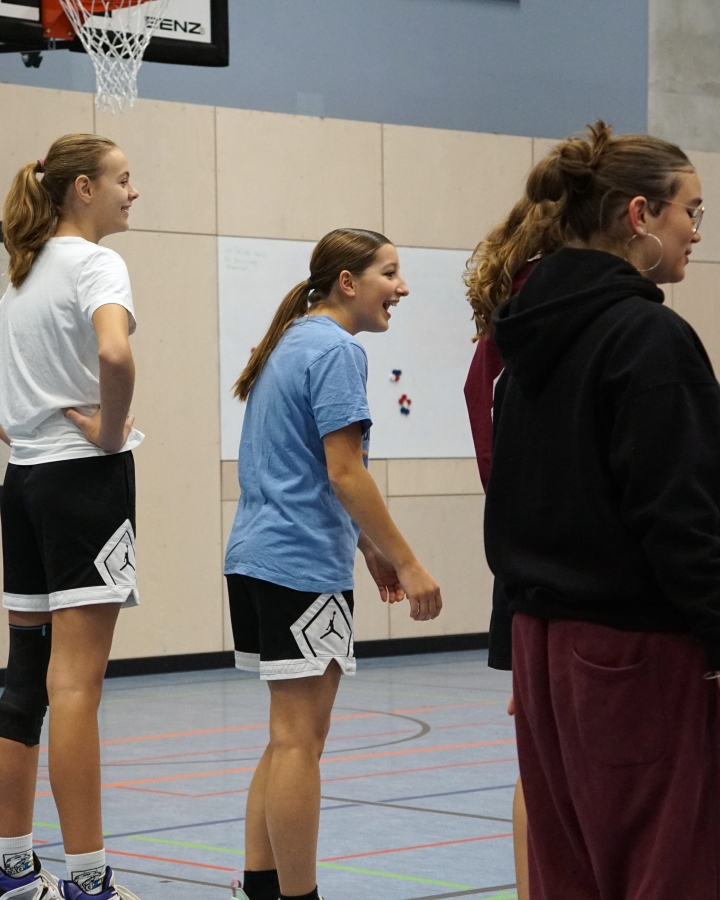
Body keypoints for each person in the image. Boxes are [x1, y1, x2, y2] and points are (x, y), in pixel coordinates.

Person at [485, 121, 717, 898]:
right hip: (636, 653)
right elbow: (679, 517)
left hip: (544, 652)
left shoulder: (527, 341)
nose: (696, 231)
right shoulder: (649, 338)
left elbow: (512, 506)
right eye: (691, 211)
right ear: (640, 214)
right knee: (666, 870)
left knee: (571, 875)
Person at [224, 228, 443, 900]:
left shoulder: (289, 341)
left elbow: (306, 470)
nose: (402, 288)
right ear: (347, 283)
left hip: (254, 558)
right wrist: (407, 561)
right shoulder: (337, 350)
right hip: (298, 566)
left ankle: (262, 889)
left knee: (285, 739)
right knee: (300, 743)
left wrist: (368, 548)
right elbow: (345, 473)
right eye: (389, 273)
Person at [0, 134, 143, 900]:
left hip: (21, 482)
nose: (133, 191)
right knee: (77, 685)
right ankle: (90, 879)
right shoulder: (95, 264)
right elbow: (115, 356)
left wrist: (21, 427)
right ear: (82, 188)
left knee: (25, 677)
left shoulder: (20, 274)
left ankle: (13, 867)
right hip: (83, 485)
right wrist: (111, 432)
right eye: (123, 178)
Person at [463, 200, 563, 900]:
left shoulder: (503, 328)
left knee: (540, 764)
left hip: (525, 561)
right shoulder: (538, 324)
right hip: (554, 564)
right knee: (550, 766)